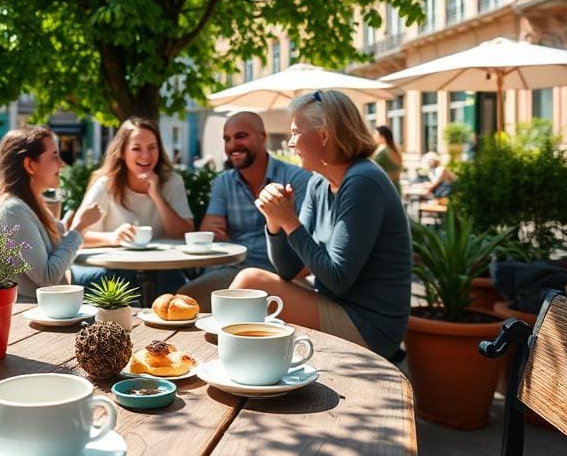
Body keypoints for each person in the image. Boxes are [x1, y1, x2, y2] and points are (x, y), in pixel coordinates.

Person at [229, 90, 412, 359]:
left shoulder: (363, 182)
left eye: (295, 133)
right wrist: (275, 223)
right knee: (252, 282)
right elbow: (291, 270)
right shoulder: (319, 182)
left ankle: (230, 365)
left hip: (369, 325)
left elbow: (338, 280)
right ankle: (245, 368)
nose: (290, 143)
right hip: (336, 302)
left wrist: (290, 222)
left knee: (250, 284)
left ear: (324, 135)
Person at [178, 112, 310, 312]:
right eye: (227, 139)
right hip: (234, 267)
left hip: (280, 273)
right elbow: (211, 231)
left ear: (263, 137)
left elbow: (305, 238)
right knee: (184, 299)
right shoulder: (224, 182)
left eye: (240, 136)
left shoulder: (295, 179)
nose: (232, 145)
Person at [0, 127, 102, 303]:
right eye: (54, 156)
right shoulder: (12, 210)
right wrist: (79, 228)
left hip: (52, 300)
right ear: (29, 165)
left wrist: (71, 225)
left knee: (120, 281)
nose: (61, 164)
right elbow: (47, 277)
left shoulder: (30, 203)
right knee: (123, 292)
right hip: (35, 309)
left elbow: (50, 251)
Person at [73, 118, 194, 247]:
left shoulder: (172, 181)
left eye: (152, 147)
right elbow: (75, 234)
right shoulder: (105, 184)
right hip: (117, 264)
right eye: (136, 149)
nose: (146, 155)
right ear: (122, 152)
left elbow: (184, 233)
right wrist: (112, 237)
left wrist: (157, 196)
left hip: (162, 263)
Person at [372, 124, 403, 194]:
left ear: (382, 136)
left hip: (385, 188)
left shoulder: (383, 150)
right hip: (395, 186)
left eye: (375, 134)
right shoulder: (393, 149)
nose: (373, 136)